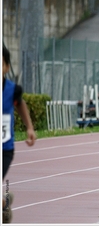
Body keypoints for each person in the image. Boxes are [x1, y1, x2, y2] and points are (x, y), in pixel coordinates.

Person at [2, 44, 36, 223]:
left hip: (4, 149)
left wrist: (29, 127)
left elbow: (21, 105)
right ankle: (4, 202)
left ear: (6, 67)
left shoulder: (12, 90)